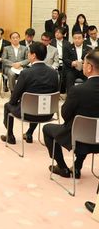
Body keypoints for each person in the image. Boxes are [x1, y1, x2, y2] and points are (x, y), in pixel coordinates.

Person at [43, 49, 99, 178]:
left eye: (84, 63)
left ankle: (62, 168)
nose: (82, 65)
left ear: (89, 67)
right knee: (87, 127)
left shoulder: (77, 90)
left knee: (47, 129)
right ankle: (77, 166)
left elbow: (65, 114)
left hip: (79, 138)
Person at [0, 42, 59, 144]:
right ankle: (29, 133)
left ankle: (10, 136)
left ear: (33, 55)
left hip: (27, 113)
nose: (27, 55)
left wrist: (15, 102)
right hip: (47, 113)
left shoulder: (26, 73)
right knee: (38, 102)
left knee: (8, 105)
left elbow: (14, 98)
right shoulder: (54, 73)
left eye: (28, 53)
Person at [51, 27, 71, 93]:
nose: (57, 34)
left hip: (64, 62)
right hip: (54, 62)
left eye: (59, 32)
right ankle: (54, 91)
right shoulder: (51, 41)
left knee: (64, 74)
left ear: (63, 34)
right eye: (56, 32)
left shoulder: (67, 43)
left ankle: (62, 92)